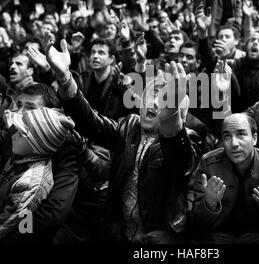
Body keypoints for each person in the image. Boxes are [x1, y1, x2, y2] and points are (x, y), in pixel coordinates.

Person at [45, 37, 196, 244]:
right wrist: (65, 79)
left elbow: (180, 163)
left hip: (158, 239)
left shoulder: (188, 138)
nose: (153, 101)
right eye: (151, 93)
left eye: (165, 97)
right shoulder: (128, 126)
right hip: (118, 234)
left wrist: (170, 116)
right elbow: (90, 121)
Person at [191, 113, 259, 243]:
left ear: (254, 138)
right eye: (227, 136)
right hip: (218, 237)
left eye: (241, 134)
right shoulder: (208, 164)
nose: (234, 144)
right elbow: (196, 223)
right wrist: (209, 204)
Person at [0, 106, 75, 243]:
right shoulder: (22, 155)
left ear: (36, 145)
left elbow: (10, 221)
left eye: (20, 133)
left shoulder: (30, 181)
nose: (13, 135)